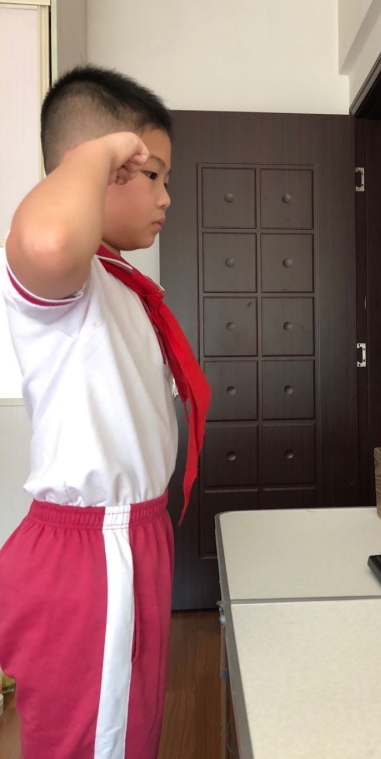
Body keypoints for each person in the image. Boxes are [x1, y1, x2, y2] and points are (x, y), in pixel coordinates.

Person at [0, 65, 210, 758]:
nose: (166, 196)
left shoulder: (118, 283)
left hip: (130, 536)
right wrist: (99, 149)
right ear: (105, 168)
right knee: (95, 743)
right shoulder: (67, 281)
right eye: (153, 175)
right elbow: (46, 239)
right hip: (92, 549)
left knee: (129, 730)